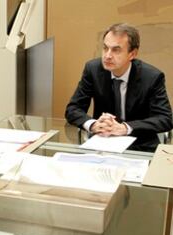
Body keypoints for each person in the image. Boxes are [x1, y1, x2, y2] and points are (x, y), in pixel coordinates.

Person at [65, 23, 173, 152]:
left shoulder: (151, 77)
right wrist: (93, 124)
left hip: (140, 146)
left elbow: (165, 119)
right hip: (102, 144)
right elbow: (73, 109)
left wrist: (126, 128)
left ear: (132, 54)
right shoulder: (93, 70)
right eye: (105, 48)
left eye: (116, 50)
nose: (107, 55)